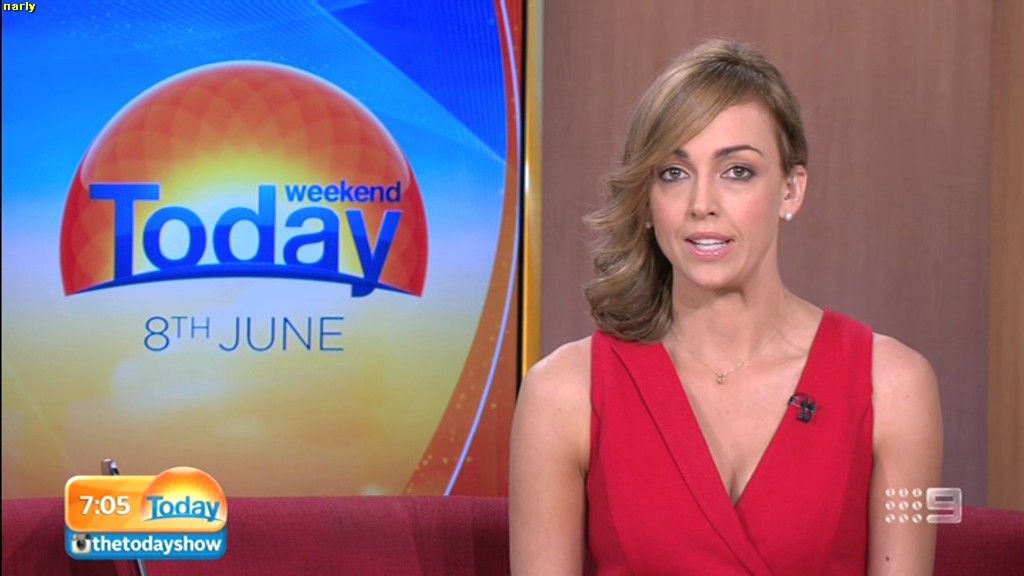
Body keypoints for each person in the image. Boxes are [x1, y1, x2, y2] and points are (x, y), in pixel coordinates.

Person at [509, 38, 943, 575]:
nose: (702, 204)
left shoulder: (896, 387)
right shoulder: (562, 394)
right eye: (673, 173)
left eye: (737, 171)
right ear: (646, 201)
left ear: (791, 189)